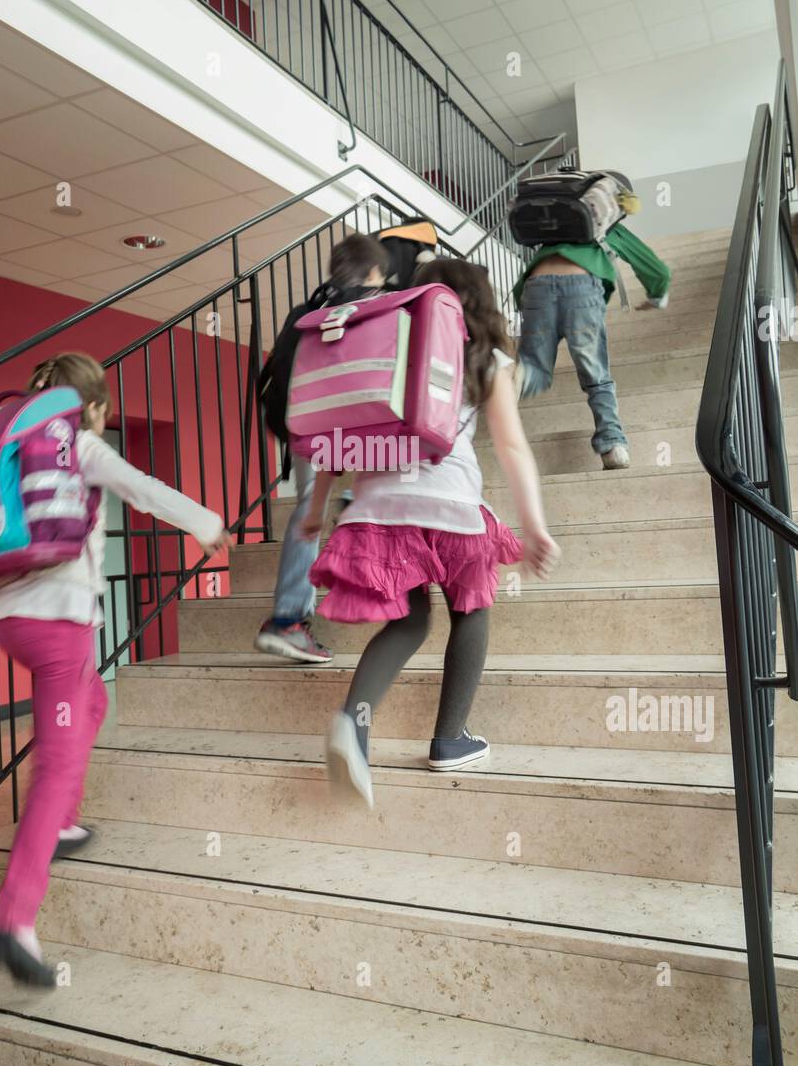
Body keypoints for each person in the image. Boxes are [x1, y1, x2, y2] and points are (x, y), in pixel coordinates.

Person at [0, 352, 227, 988]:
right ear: (91, 407)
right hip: (58, 627)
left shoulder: (13, 442)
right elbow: (141, 487)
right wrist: (204, 523)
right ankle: (13, 920)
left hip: (10, 619)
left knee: (90, 704)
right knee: (56, 764)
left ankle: (63, 820)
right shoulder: (80, 444)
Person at [300, 258, 560, 808]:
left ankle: (353, 723)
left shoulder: (383, 344)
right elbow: (512, 448)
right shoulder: (485, 360)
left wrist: (317, 507)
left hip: (377, 506)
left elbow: (342, 429)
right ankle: (450, 737)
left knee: (409, 621)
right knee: (472, 609)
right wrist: (534, 526)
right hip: (451, 505)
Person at [254, 232, 389, 663]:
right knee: (389, 469)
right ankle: (354, 516)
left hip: (301, 422)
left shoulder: (307, 310)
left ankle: (288, 619)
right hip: (349, 424)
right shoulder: (373, 307)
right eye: (381, 275)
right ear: (372, 272)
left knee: (312, 502)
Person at [511, 220, 671, 470]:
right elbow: (658, 271)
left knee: (535, 371)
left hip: (536, 287)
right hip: (581, 290)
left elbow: (521, 288)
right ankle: (613, 446)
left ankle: (508, 379)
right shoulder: (607, 225)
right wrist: (657, 297)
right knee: (596, 376)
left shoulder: (553, 231)